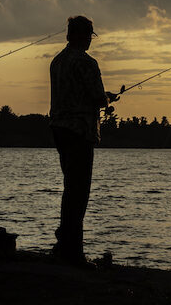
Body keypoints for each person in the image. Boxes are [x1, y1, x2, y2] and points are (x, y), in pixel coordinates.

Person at [49, 16, 118, 265]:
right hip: (79, 131)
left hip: (59, 129)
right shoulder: (86, 62)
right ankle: (73, 253)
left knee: (70, 188)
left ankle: (63, 245)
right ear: (83, 36)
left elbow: (77, 93)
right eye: (89, 36)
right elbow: (97, 97)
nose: (90, 40)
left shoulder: (57, 61)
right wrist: (107, 99)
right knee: (78, 192)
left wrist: (102, 97)